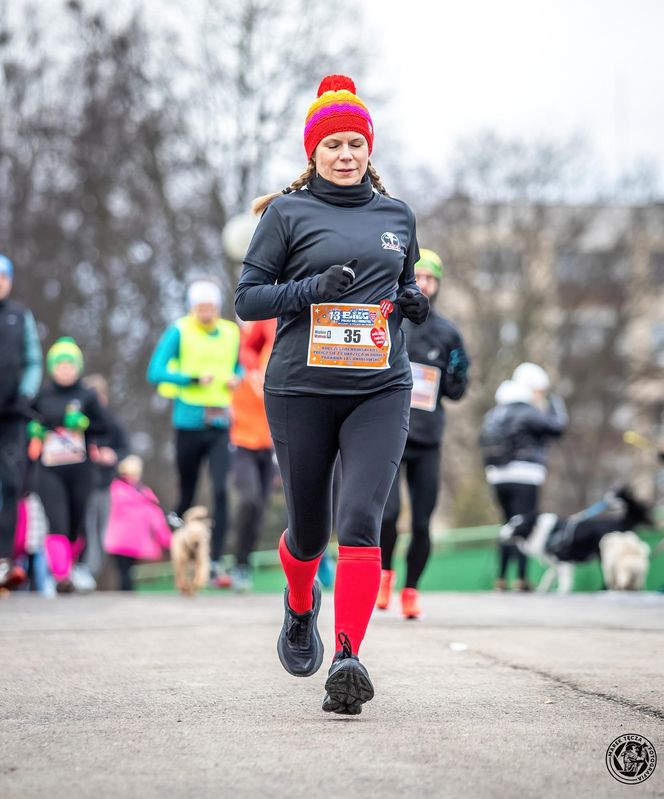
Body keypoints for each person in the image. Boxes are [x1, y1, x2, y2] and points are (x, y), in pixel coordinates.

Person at [235, 74, 429, 715]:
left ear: (369, 150)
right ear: (312, 154)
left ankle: (347, 656)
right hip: (301, 389)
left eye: (355, 144)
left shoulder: (396, 215)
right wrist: (312, 288)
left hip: (381, 387)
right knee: (311, 532)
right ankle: (299, 606)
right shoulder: (287, 215)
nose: (346, 156)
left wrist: (409, 304)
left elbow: (403, 288)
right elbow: (248, 301)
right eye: (332, 146)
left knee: (361, 521)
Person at [377, 249, 469, 618]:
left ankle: (411, 590)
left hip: (428, 438)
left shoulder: (448, 332)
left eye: (432, 279)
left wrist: (457, 373)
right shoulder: (388, 316)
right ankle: (384, 576)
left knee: (421, 520)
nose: (426, 285)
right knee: (387, 515)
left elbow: (458, 389)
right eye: (420, 277)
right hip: (388, 431)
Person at [147, 277, 241, 587]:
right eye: (200, 308)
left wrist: (236, 378)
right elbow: (156, 370)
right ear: (192, 307)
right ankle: (178, 546)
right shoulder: (179, 330)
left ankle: (215, 560)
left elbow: (238, 366)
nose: (206, 313)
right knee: (187, 490)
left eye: (211, 307)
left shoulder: (230, 331)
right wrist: (190, 378)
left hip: (220, 424)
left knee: (221, 490)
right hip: (188, 422)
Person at [29, 338, 110, 592]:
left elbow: (105, 427)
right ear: (52, 367)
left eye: (70, 364)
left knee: (75, 523)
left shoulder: (87, 395)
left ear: (78, 367)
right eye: (60, 364)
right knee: (57, 521)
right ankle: (61, 575)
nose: (65, 369)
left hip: (80, 469)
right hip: (49, 469)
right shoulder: (41, 395)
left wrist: (85, 425)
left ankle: (70, 565)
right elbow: (29, 422)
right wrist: (35, 431)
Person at [480, 363, 567, 591]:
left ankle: (500, 578)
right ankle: (521, 578)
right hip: (525, 475)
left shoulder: (495, 412)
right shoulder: (529, 411)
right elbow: (558, 427)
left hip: (498, 476)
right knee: (524, 527)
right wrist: (554, 403)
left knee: (507, 526)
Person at [0, 254, 43, 591]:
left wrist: (25, 394)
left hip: (12, 415)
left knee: (11, 485)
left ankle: (4, 561)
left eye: (3, 277)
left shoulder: (19, 316)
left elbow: (32, 360)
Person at [229, 318, 277, 591]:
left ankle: (243, 563)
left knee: (260, 508)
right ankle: (240, 565)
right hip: (241, 442)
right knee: (249, 500)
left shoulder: (275, 355)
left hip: (270, 445)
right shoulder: (237, 359)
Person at [82, 374, 129, 583]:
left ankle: (90, 573)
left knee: (102, 534)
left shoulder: (112, 422)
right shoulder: (78, 422)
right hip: (82, 484)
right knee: (86, 531)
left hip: (104, 484)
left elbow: (125, 449)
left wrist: (112, 456)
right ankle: (80, 571)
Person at [103, 455, 172, 591]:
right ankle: (127, 597)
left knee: (124, 573)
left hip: (116, 540)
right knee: (128, 573)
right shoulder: (144, 493)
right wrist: (168, 541)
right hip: (134, 542)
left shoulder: (113, 489)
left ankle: (125, 597)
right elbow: (157, 519)